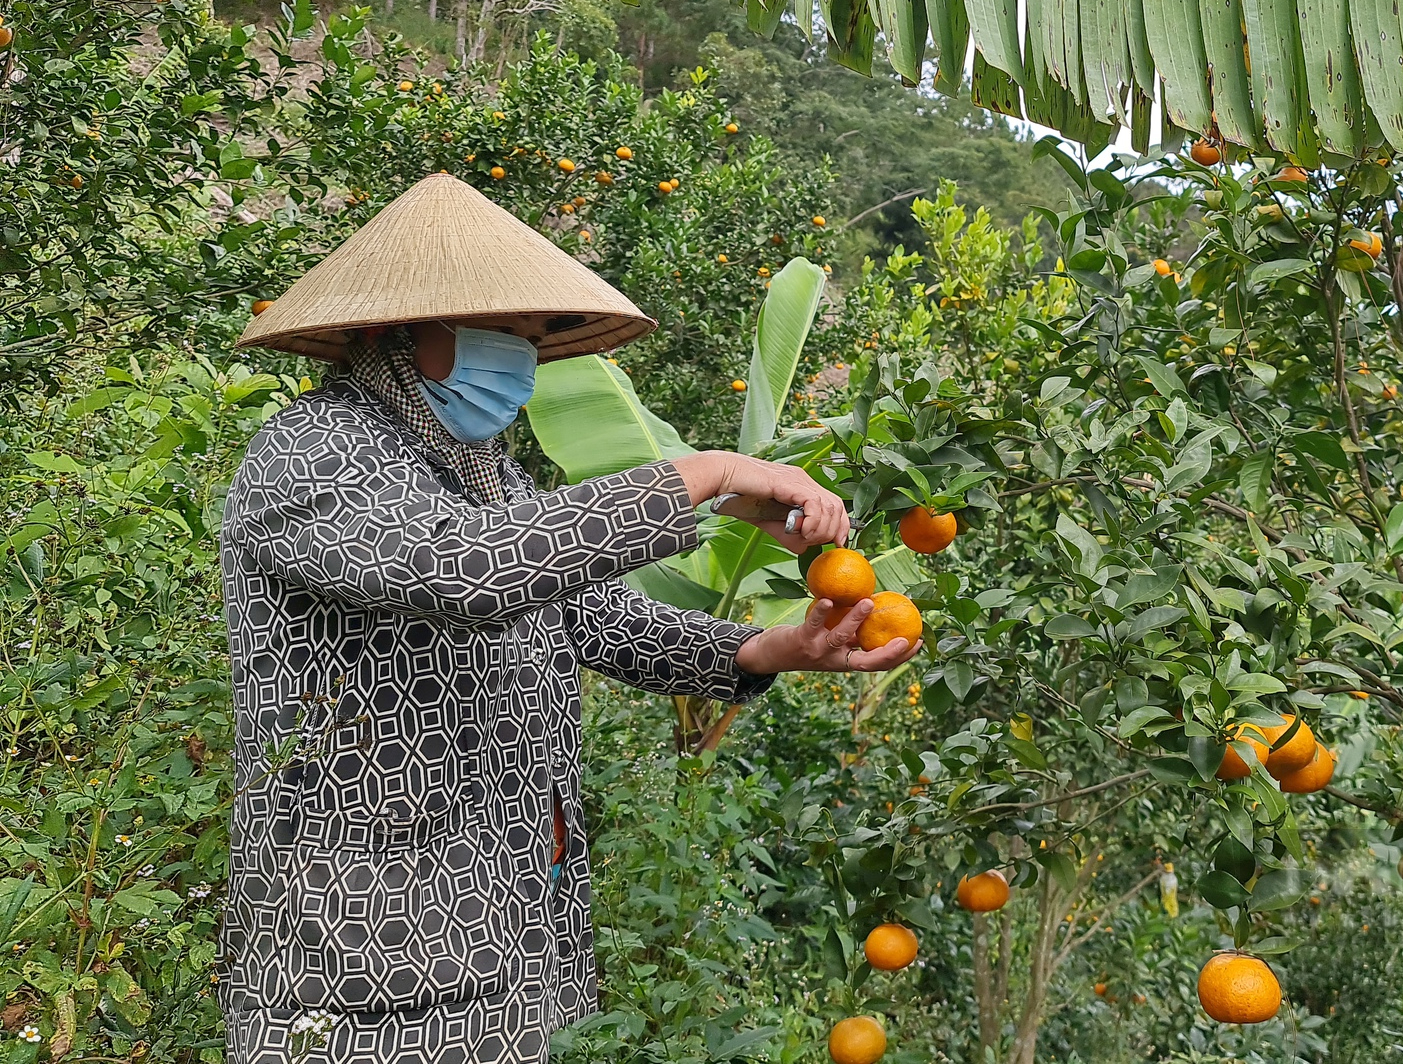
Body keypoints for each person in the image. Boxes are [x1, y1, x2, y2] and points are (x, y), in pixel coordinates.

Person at [220, 173, 906, 1063]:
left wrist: (781, 645)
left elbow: (596, 619)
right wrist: (705, 473)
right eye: (498, 331)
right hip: (359, 952)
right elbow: (462, 570)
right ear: (396, 331)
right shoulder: (313, 453)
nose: (522, 357)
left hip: (501, 941)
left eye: (533, 338)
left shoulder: (488, 477)